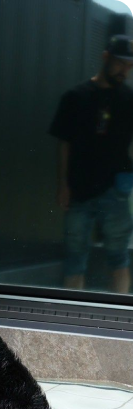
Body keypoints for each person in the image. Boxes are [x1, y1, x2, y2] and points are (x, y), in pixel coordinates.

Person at [49, 35, 133, 293]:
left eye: (130, 65)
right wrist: (64, 184)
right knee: (75, 258)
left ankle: (121, 321)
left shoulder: (129, 98)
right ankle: (71, 320)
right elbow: (65, 143)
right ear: (106, 58)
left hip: (116, 188)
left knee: (119, 256)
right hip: (80, 187)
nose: (125, 70)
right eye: (120, 63)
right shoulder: (76, 96)